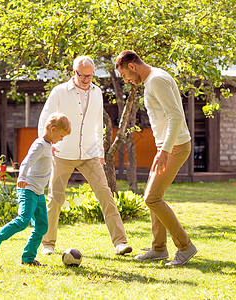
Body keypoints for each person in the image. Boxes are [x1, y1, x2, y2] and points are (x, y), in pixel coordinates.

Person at [38, 56, 132, 256]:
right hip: (62, 153)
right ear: (74, 72)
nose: (87, 79)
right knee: (55, 198)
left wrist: (99, 152)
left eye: (90, 76)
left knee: (106, 194)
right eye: (83, 75)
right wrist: (46, 144)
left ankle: (120, 243)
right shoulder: (60, 92)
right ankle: (48, 244)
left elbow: (97, 124)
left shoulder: (97, 93)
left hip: (89, 154)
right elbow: (44, 118)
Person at [114, 50, 197, 266]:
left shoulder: (157, 80)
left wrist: (165, 150)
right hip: (167, 146)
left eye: (124, 75)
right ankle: (159, 249)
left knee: (152, 198)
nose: (126, 80)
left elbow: (176, 116)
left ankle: (185, 246)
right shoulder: (154, 79)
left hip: (175, 147)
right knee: (153, 197)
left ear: (132, 66)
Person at [0, 113, 71, 266]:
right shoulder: (39, 145)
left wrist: (51, 151)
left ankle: (27, 259)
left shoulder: (47, 146)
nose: (61, 139)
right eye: (61, 135)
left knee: (42, 226)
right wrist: (21, 177)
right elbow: (26, 162)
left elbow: (45, 153)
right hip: (27, 189)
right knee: (23, 221)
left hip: (38, 192)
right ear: (53, 129)